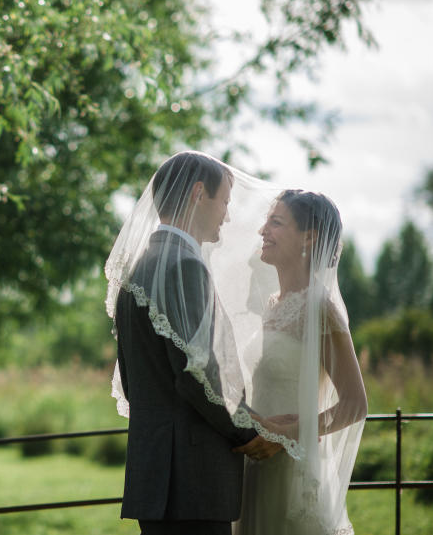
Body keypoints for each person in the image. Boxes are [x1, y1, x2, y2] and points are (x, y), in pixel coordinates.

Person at [105, 151, 269, 535]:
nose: (227, 215)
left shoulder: (137, 267)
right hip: (193, 478)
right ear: (198, 194)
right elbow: (198, 373)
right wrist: (248, 433)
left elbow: (132, 379)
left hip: (155, 475)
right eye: (224, 201)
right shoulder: (185, 265)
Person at [232, 190, 367, 535]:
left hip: (291, 472)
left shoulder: (319, 307)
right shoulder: (273, 305)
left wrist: (286, 435)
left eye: (275, 222)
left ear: (309, 237)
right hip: (255, 466)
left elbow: (354, 405)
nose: (263, 231)